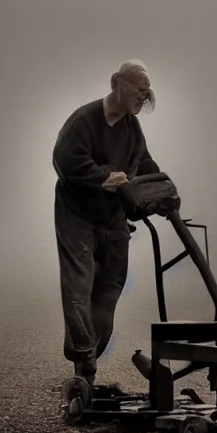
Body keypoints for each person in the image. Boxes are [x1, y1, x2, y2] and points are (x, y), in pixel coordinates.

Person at [51, 59, 159, 384]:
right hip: (78, 216)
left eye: (147, 90)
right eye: (138, 87)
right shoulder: (84, 121)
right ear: (117, 83)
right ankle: (83, 360)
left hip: (113, 219)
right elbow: (65, 160)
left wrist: (159, 190)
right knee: (79, 286)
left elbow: (145, 162)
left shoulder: (132, 129)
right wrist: (103, 177)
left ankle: (89, 360)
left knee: (110, 289)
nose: (144, 94)